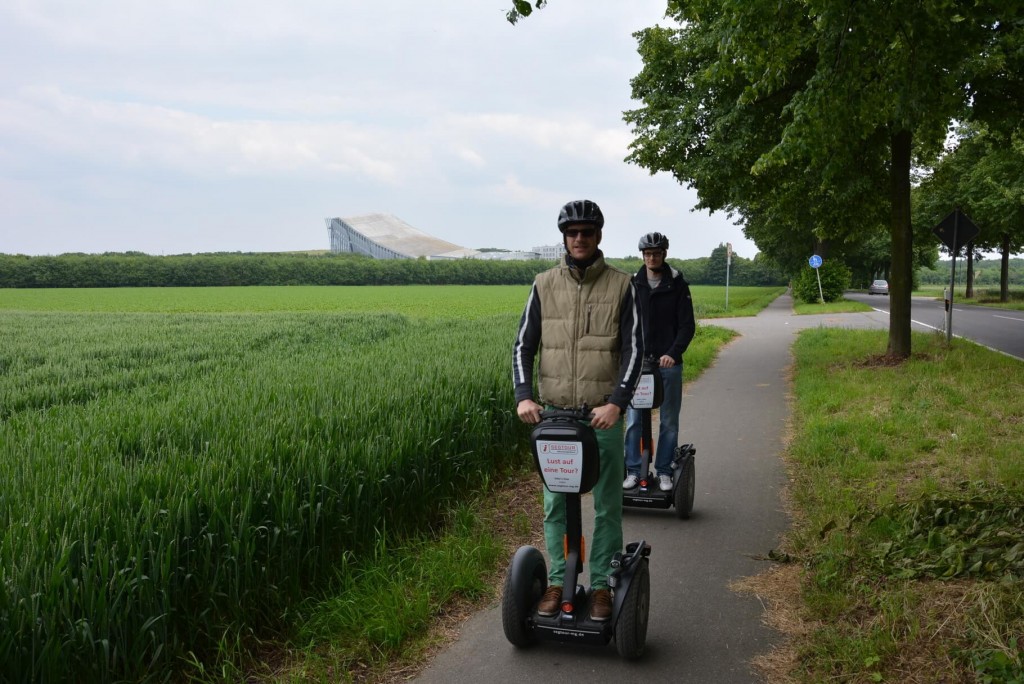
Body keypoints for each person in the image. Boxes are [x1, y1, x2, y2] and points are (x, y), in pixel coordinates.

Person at [512, 199, 643, 622]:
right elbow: (523, 345)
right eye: (572, 233)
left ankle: (602, 586)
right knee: (555, 504)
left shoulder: (623, 285)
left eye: (587, 232)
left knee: (607, 503)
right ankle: (556, 581)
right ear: (564, 237)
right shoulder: (543, 283)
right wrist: (523, 395)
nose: (579, 238)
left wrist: (617, 402)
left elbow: (634, 350)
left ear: (599, 235)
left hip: (599, 415)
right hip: (554, 417)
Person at [623, 231, 696, 492]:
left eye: (656, 253)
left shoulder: (677, 285)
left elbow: (687, 326)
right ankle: (633, 470)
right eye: (647, 253)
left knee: (668, 420)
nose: (651, 257)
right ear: (642, 256)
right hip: (640, 365)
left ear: (664, 254)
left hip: (668, 365)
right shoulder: (633, 284)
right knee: (634, 418)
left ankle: (664, 471)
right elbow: (626, 325)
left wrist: (673, 353)